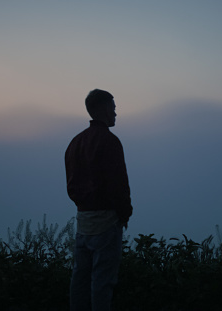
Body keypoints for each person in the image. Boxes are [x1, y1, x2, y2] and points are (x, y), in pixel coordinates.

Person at [65, 89, 133, 311]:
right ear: (104, 109)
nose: (116, 113)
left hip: (83, 222)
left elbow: (71, 185)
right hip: (106, 222)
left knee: (80, 280)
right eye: (113, 108)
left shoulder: (75, 142)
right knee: (102, 282)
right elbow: (118, 185)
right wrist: (124, 213)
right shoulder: (110, 141)